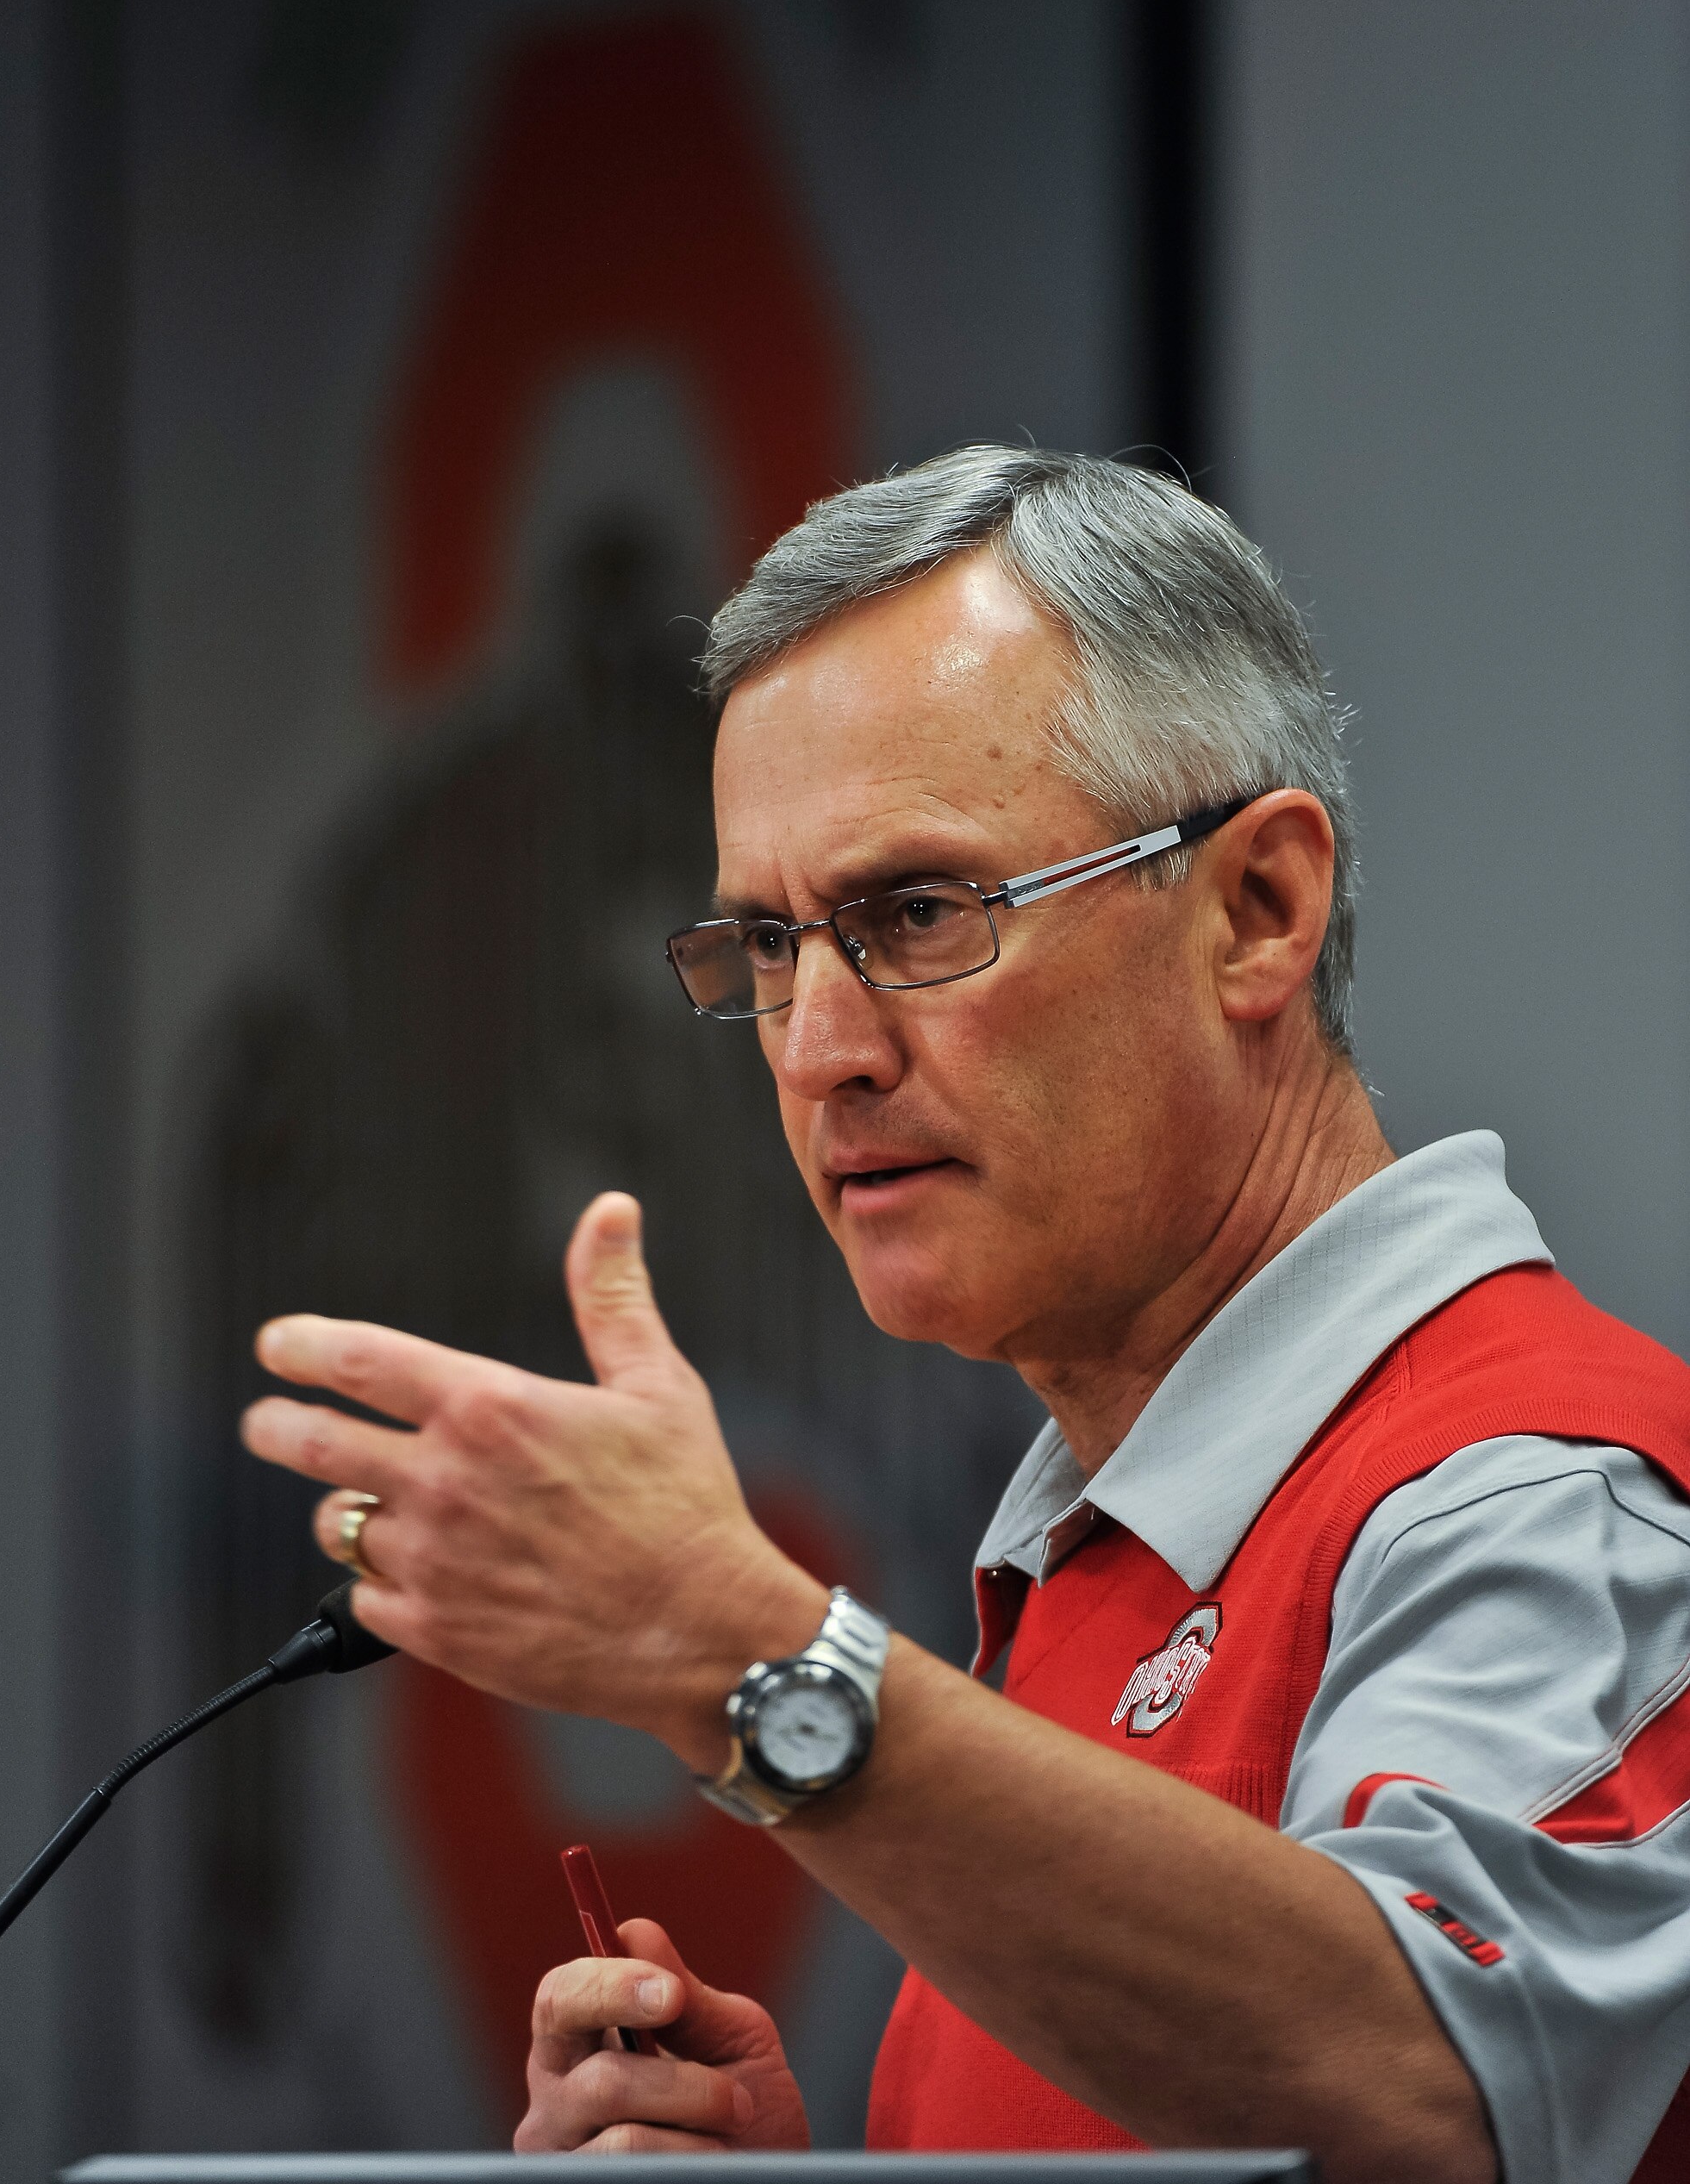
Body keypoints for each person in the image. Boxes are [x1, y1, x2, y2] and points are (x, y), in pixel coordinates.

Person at [242, 448, 1690, 2184]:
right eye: (766, 949)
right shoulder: (1102, 1537)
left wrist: (738, 1657)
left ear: (1258, 909)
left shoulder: (1535, 1490)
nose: (817, 1047)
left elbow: (1430, 2102)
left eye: (918, 914)